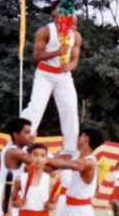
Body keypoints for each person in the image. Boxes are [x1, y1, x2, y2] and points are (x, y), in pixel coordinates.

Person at [20, 8, 81, 154]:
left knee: (70, 110)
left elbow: (75, 59)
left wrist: (69, 67)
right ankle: (20, 142)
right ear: (57, 19)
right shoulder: (45, 31)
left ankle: (70, 150)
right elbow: (36, 56)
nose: (72, 26)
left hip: (63, 76)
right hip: (45, 74)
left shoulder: (76, 36)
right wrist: (57, 52)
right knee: (35, 108)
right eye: (68, 22)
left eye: (73, 23)